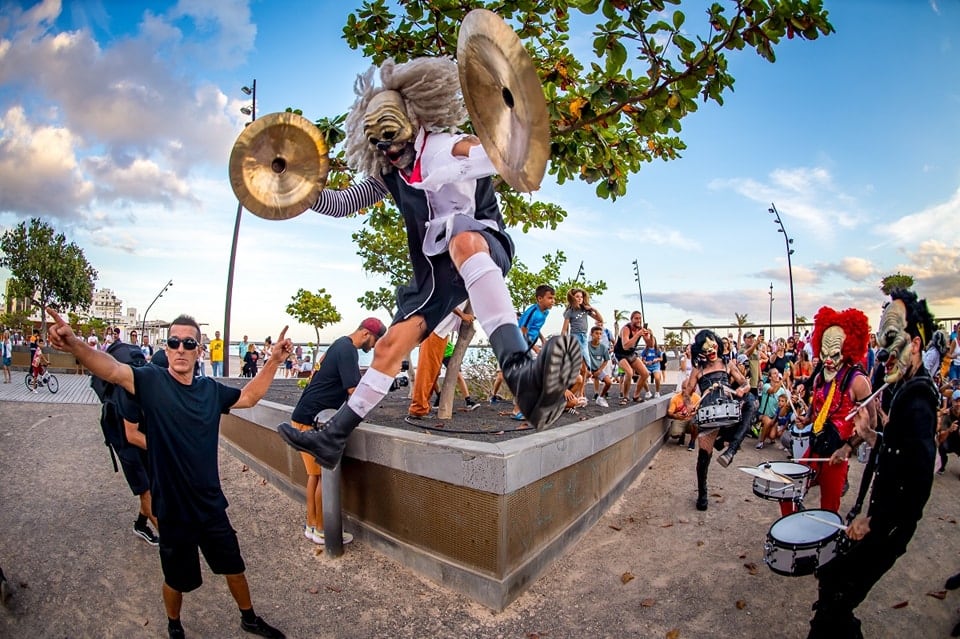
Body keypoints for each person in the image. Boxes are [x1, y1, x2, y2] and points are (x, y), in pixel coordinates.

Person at [278, 57, 580, 469]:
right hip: (435, 278)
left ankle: (520, 372)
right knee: (388, 346)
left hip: (481, 246)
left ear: (415, 120)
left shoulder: (446, 147)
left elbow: (493, 154)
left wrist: (513, 125)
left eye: (392, 137)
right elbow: (343, 202)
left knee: (463, 238)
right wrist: (299, 189)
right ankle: (334, 436)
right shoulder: (390, 174)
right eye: (378, 144)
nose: (388, 150)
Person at [45, 308, 287, 639]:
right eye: (174, 342)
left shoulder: (210, 391)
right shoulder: (151, 381)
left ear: (199, 350)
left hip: (209, 505)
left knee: (234, 565)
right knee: (176, 579)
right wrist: (75, 346)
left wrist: (273, 361)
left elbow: (249, 396)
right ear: (167, 348)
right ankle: (174, 625)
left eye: (189, 343)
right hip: (171, 508)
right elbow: (113, 370)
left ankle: (249, 618)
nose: (181, 349)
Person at [808, 288, 939, 639]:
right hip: (883, 519)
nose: (883, 352)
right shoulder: (901, 389)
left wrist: (874, 522)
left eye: (893, 339)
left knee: (834, 603)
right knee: (831, 581)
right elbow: (898, 451)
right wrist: (865, 439)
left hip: (892, 527)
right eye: (881, 340)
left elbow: (918, 484)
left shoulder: (919, 399)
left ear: (915, 342)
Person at [284, 319, 386, 546]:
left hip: (302, 416)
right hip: (312, 420)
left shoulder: (338, 345)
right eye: (376, 340)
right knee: (322, 476)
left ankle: (312, 525)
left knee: (314, 476)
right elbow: (353, 391)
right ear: (367, 333)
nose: (375, 346)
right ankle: (323, 530)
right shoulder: (349, 350)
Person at [782, 306, 874, 517]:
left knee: (829, 511)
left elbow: (872, 424)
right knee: (787, 491)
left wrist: (848, 448)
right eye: (824, 354)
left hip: (836, 455)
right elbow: (819, 411)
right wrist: (806, 420)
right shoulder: (820, 377)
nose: (829, 360)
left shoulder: (858, 381)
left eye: (834, 354)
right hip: (815, 448)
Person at [682, 329, 756, 511]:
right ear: (700, 351)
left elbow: (745, 383)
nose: (711, 351)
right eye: (706, 349)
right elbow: (687, 393)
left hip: (728, 411)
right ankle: (702, 493)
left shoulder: (727, 363)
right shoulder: (698, 369)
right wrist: (689, 405)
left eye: (713, 346)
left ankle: (731, 449)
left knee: (752, 403)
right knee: (703, 458)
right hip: (709, 416)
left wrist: (742, 390)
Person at [490, 284, 556, 405]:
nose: (553, 301)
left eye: (553, 298)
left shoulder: (545, 312)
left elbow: (536, 327)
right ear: (540, 299)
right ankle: (504, 399)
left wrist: (542, 339)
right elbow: (522, 332)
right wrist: (535, 348)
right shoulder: (532, 312)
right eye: (550, 298)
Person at [408, 305, 474, 419]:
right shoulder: (457, 288)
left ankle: (423, 407)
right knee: (427, 371)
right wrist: (462, 315)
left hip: (442, 333)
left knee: (434, 373)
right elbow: (449, 301)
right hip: (435, 330)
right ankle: (417, 409)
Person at [613, 311, 650, 405]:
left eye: (640, 318)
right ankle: (625, 397)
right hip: (620, 354)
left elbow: (651, 345)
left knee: (645, 373)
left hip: (631, 354)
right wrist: (637, 335)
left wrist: (649, 336)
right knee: (629, 372)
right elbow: (625, 346)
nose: (638, 320)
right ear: (631, 319)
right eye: (636, 318)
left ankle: (636, 395)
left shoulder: (641, 329)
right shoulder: (626, 329)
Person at [755, 368, 789, 449]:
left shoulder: (781, 390)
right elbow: (773, 390)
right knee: (767, 421)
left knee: (772, 436)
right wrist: (783, 378)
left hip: (774, 417)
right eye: (774, 373)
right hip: (763, 414)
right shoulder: (766, 386)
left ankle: (767, 433)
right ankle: (761, 442)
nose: (777, 375)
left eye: (778, 373)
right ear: (770, 377)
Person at [585, 326, 612, 407]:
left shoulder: (603, 347)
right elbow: (581, 358)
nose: (599, 335)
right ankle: (582, 397)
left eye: (600, 334)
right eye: (596, 333)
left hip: (597, 369)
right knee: (582, 380)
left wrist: (600, 370)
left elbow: (606, 360)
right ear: (591, 334)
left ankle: (600, 398)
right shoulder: (586, 345)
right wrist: (586, 370)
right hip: (587, 368)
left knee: (608, 382)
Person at [936, 389, 960, 475]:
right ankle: (942, 465)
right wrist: (949, 430)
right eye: (956, 401)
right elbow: (940, 439)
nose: (958, 404)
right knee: (942, 447)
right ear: (951, 401)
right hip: (949, 441)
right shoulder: (947, 415)